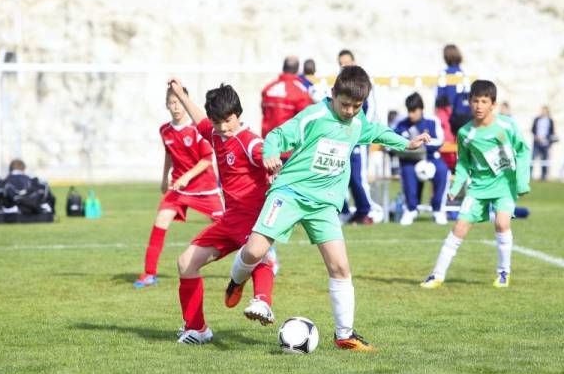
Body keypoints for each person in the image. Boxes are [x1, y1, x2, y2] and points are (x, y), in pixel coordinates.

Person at [225, 66, 430, 352]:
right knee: (255, 251)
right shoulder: (314, 116)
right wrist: (271, 154)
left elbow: (378, 132)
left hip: (323, 204)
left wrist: (406, 142)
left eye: (356, 106)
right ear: (333, 95)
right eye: (345, 104)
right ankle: (236, 281)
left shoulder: (357, 123)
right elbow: (276, 136)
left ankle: (344, 335)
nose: (349, 111)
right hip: (291, 192)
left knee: (340, 267)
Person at [167, 78, 277, 344]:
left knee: (260, 255)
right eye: (218, 122)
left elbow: (266, 153)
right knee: (185, 263)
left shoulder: (249, 142)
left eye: (228, 120)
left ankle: (262, 301)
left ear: (238, 115)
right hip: (228, 222)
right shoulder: (215, 133)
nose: (223, 128)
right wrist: (181, 94)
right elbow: (200, 120)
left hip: (252, 222)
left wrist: (274, 165)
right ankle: (198, 329)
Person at [420, 80, 531, 289]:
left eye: (484, 101)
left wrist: (522, 181)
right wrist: (455, 188)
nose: (479, 106)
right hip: (478, 188)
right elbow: (463, 162)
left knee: (502, 223)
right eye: (475, 101)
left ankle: (503, 273)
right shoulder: (465, 133)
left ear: (493, 104)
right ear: (470, 102)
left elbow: (524, 151)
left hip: (505, 186)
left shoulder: (507, 125)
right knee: (459, 228)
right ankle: (437, 275)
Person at [133, 85, 224, 288]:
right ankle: (149, 274)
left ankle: (264, 256)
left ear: (186, 103)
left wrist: (187, 177)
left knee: (229, 226)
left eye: (179, 102)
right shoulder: (165, 130)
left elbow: (207, 160)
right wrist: (165, 178)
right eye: (172, 103)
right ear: (166, 105)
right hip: (179, 189)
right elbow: (169, 153)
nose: (176, 107)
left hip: (205, 187)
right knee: (161, 219)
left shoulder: (197, 130)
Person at [336, 49, 382, 224]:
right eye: (341, 64)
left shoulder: (365, 83)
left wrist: (362, 131)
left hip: (359, 137)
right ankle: (346, 210)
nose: (344, 66)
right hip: (342, 137)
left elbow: (372, 109)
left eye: (347, 62)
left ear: (354, 61)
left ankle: (367, 210)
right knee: (341, 174)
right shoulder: (341, 84)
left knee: (357, 176)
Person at [393, 92, 449, 226]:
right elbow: (394, 140)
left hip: (431, 158)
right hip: (410, 160)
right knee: (407, 171)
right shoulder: (401, 124)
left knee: (443, 170)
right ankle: (411, 209)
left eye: (414, 111)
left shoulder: (432, 121)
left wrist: (422, 145)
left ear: (421, 109)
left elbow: (440, 141)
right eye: (409, 111)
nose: (411, 114)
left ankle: (438, 210)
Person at [261, 55, 312, 141]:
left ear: (283, 68)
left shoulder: (268, 88)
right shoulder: (301, 91)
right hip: (288, 146)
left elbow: (264, 111)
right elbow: (306, 118)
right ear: (297, 70)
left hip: (268, 144)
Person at [436, 44, 472, 136]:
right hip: (463, 112)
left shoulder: (443, 74)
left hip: (448, 113)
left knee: (449, 139)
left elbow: (440, 96)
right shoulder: (463, 73)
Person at [531, 105, 556, 181]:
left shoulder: (550, 121)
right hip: (537, 142)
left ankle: (543, 176)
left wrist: (546, 138)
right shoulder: (537, 119)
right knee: (532, 158)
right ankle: (529, 175)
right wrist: (536, 136)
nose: (542, 112)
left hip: (546, 143)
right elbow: (533, 129)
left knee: (545, 159)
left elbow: (552, 132)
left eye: (544, 110)